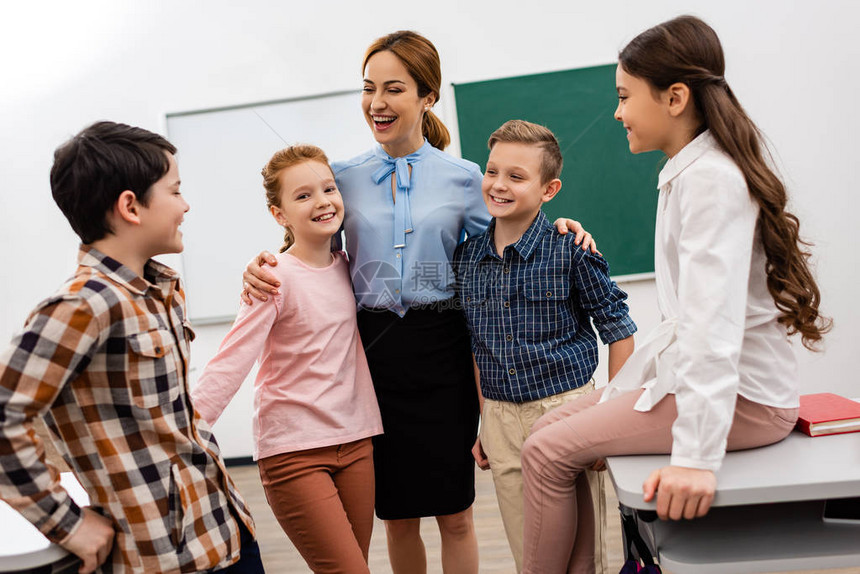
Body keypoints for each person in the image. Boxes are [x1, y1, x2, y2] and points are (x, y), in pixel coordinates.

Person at [240, 31, 596, 574]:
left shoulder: (466, 179)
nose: (377, 102)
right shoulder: (343, 177)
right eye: (368, 89)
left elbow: (503, 244)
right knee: (398, 516)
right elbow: (311, 246)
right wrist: (262, 264)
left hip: (445, 349)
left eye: (393, 89)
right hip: (372, 354)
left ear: (426, 97)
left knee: (456, 513)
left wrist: (563, 228)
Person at [519, 15, 831, 574]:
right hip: (704, 381)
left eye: (623, 96)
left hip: (746, 402)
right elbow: (683, 329)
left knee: (545, 451)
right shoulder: (687, 172)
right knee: (547, 433)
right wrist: (618, 393)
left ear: (675, 98)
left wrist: (695, 459)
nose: (616, 112)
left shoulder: (711, 180)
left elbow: (711, 331)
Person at [0, 121, 264, 574]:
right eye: (175, 191)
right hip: (162, 558)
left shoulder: (159, 290)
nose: (186, 205)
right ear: (131, 207)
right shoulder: (84, 305)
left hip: (224, 531)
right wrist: (66, 523)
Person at [453, 119, 637, 573]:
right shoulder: (466, 259)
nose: (498, 185)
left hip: (565, 412)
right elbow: (479, 346)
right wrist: (483, 422)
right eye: (493, 171)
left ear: (548, 189)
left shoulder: (571, 249)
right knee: (532, 559)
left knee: (582, 560)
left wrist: (606, 421)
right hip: (499, 420)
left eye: (516, 177)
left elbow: (620, 332)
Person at [191, 144, 383, 574]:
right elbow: (230, 362)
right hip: (294, 452)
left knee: (356, 566)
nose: (322, 201)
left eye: (328, 188)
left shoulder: (353, 266)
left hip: (356, 442)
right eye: (303, 196)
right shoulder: (272, 276)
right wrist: (182, 431)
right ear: (279, 214)